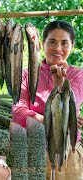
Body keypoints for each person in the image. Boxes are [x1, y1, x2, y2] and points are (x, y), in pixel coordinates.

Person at [12, 20, 83, 178]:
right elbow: (18, 112)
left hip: (68, 154)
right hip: (34, 152)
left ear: (72, 45)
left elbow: (72, 102)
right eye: (52, 42)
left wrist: (61, 85)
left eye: (64, 43)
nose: (58, 48)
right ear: (42, 44)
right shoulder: (27, 74)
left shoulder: (78, 75)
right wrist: (52, 119)